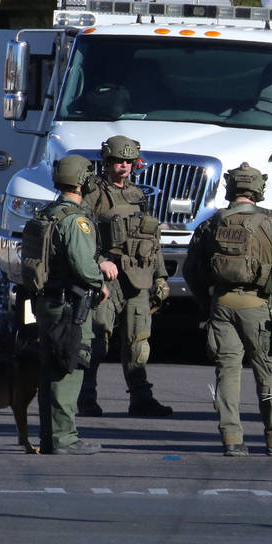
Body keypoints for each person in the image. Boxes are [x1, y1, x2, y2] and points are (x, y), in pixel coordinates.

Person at [183, 162, 272, 457]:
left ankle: (231, 438)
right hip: (257, 307)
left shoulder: (211, 224)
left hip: (222, 304)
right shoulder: (269, 225)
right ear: (257, 189)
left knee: (227, 370)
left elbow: (190, 269)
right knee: (266, 370)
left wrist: (206, 302)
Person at [78, 135, 172, 418]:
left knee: (139, 341)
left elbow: (151, 240)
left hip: (139, 275)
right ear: (107, 162)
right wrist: (100, 261)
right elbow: (81, 235)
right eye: (118, 161)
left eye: (128, 161)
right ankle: (86, 399)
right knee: (97, 340)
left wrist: (160, 277)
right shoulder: (93, 195)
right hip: (108, 277)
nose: (123, 166)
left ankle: (141, 398)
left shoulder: (138, 195)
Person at [33, 155, 109, 455]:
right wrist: (99, 283)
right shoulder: (75, 220)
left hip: (47, 300)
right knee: (68, 366)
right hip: (69, 304)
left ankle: (49, 436)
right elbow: (82, 264)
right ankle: (64, 439)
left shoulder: (47, 213)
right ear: (83, 181)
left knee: (49, 369)